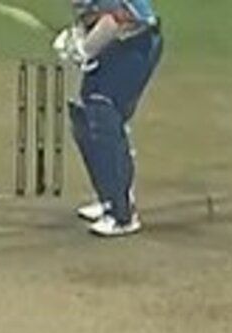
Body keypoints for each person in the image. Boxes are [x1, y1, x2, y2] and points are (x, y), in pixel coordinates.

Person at [55, 0, 163, 238]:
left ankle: (122, 214)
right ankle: (109, 197)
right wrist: (77, 35)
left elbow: (120, 16)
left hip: (137, 44)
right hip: (113, 43)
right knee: (82, 115)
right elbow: (88, 12)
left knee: (103, 110)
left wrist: (85, 48)